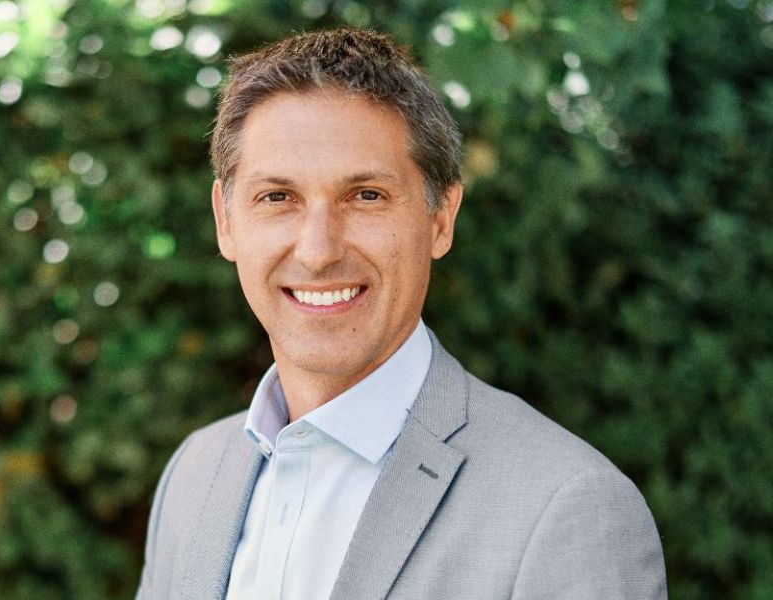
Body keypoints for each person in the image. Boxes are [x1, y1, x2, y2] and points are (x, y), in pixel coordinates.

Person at [135, 28, 667, 600]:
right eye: (277, 197)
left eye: (366, 195)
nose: (317, 251)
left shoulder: (568, 508)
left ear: (441, 219)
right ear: (226, 221)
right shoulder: (194, 475)